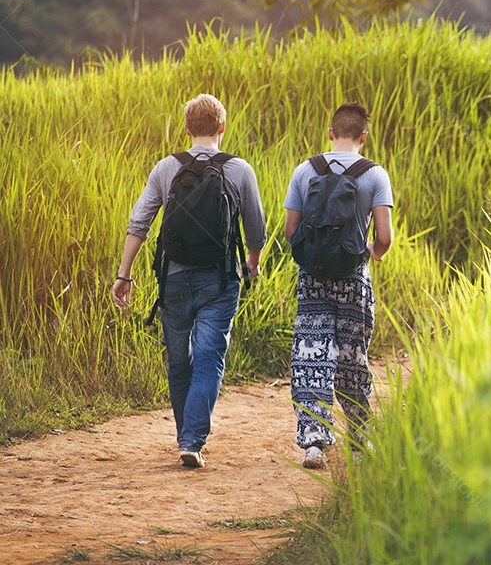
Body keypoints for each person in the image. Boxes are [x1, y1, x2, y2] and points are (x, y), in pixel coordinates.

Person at [111, 94, 265, 468]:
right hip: (219, 281)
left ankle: (187, 437)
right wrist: (253, 264)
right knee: (210, 358)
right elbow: (256, 230)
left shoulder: (167, 168)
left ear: (186, 129)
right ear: (222, 127)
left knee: (179, 361)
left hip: (173, 280)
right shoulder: (240, 169)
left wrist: (124, 275)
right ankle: (192, 440)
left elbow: (139, 223)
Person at [283, 102, 394, 469]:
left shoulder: (305, 170)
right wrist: (370, 253)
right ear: (364, 136)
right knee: (352, 358)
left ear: (330, 133)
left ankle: (314, 443)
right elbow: (384, 237)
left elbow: (290, 232)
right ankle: (360, 439)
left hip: (312, 278)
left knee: (310, 355)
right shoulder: (375, 175)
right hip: (353, 278)